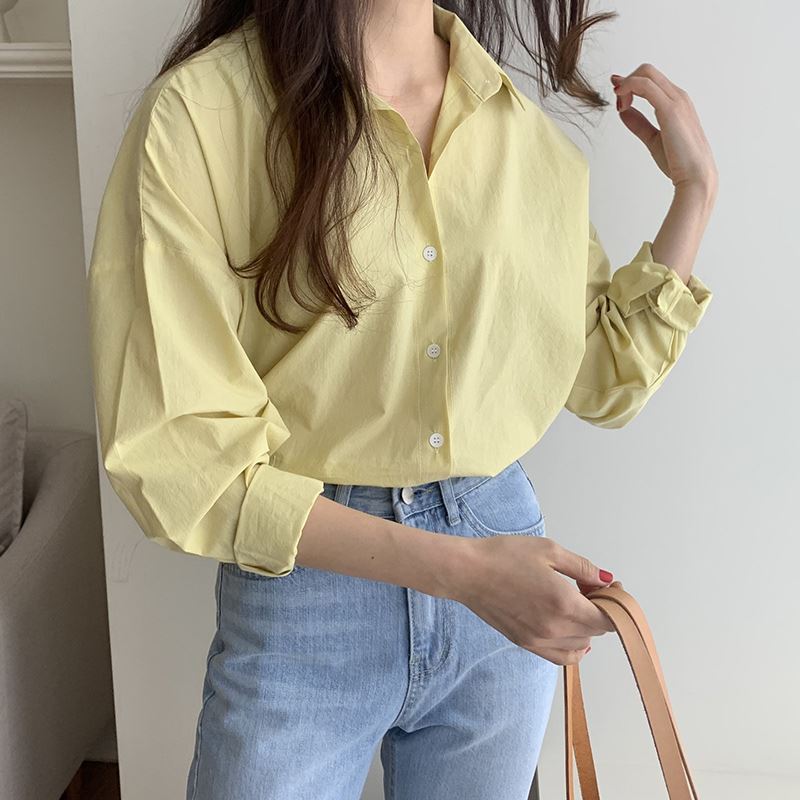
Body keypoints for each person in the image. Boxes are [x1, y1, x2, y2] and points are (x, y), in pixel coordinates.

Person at [86, 1, 717, 798]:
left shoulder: (520, 133)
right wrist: (465, 573)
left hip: (500, 571)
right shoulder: (202, 114)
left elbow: (598, 374)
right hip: (309, 587)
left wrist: (693, 193)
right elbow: (178, 451)